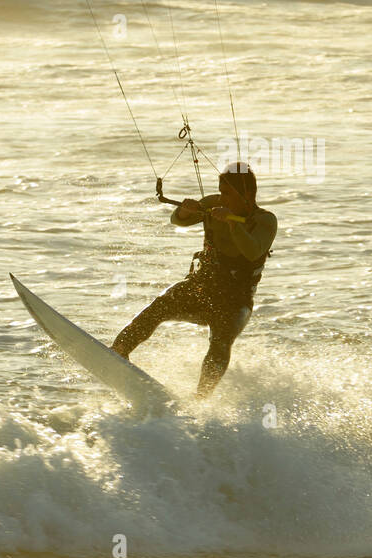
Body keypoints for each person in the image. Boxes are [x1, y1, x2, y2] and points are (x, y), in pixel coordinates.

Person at [111, 162, 277, 397]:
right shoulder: (213, 204)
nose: (223, 197)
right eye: (221, 191)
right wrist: (184, 211)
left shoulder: (265, 221)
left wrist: (231, 222)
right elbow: (178, 221)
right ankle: (118, 352)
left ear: (247, 194)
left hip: (236, 300)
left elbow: (252, 250)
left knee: (220, 342)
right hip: (202, 287)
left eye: (228, 193)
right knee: (158, 307)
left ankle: (200, 398)